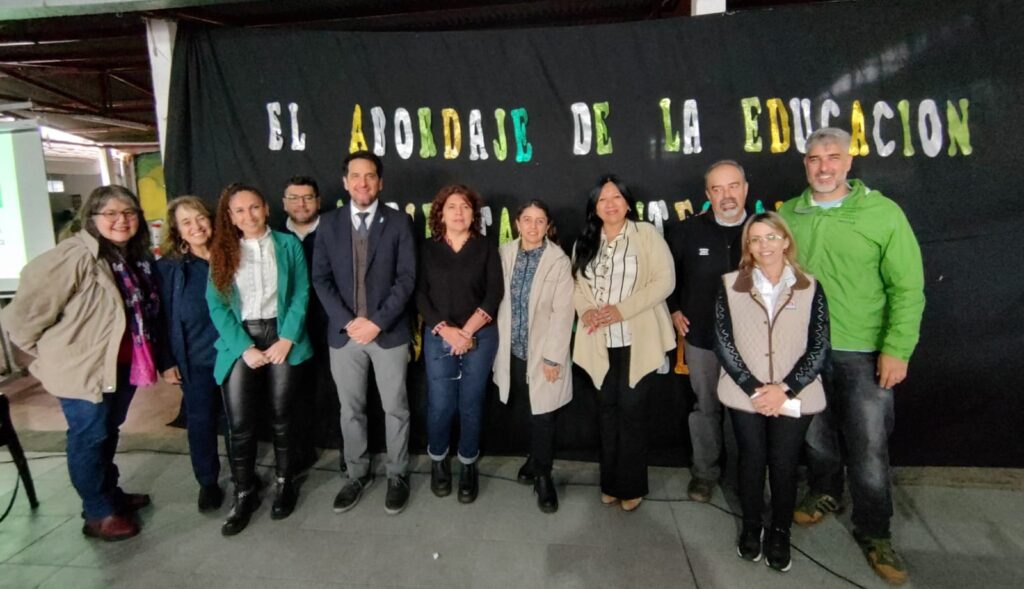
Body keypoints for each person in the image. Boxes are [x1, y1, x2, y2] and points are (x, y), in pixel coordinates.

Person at [781, 128, 925, 585]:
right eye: (814, 158)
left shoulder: (882, 213)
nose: (823, 167)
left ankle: (875, 531)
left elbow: (907, 287)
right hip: (803, 351)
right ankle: (825, 492)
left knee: (868, 447)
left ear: (848, 161)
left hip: (862, 350)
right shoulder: (788, 213)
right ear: (805, 164)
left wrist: (897, 348)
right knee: (815, 435)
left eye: (833, 157)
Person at [3, 185, 163, 541]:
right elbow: (21, 318)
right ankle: (98, 512)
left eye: (129, 213)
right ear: (91, 217)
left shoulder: (129, 256)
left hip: (119, 365)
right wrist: (52, 356)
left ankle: (109, 495)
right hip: (83, 370)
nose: (121, 220)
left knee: (107, 430)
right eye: (111, 213)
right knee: (89, 437)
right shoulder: (72, 257)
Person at [713, 212, 830, 572]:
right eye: (756, 239)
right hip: (744, 392)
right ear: (747, 246)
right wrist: (754, 388)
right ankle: (752, 526)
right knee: (750, 460)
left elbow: (819, 346)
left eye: (771, 237)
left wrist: (785, 389)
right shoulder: (730, 284)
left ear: (785, 241)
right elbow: (723, 341)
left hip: (794, 394)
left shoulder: (810, 287)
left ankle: (780, 531)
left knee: (784, 463)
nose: (764, 245)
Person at [312, 152, 416, 514]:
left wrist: (377, 322)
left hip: (388, 333)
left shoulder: (400, 222)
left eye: (370, 176)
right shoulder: (329, 223)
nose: (362, 182)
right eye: (355, 176)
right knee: (351, 410)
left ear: (380, 182)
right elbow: (320, 279)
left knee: (395, 408)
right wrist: (348, 321)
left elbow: (407, 279)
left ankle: (397, 474)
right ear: (345, 182)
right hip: (345, 336)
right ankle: (356, 474)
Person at [207, 183, 312, 535]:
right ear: (230, 216)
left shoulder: (288, 244)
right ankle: (244, 492)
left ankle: (285, 482)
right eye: (239, 210)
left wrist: (288, 338)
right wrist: (243, 347)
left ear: (266, 208)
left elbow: (301, 292)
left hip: (282, 334)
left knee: (283, 416)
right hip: (241, 338)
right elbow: (217, 305)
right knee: (240, 423)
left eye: (254, 207)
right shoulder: (222, 252)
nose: (248, 215)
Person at [571, 175, 675, 512]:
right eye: (602, 199)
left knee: (632, 411)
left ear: (628, 203)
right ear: (594, 207)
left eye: (616, 197)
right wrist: (586, 311)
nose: (610, 204)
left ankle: (631, 486)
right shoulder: (585, 241)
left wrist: (621, 310)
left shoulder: (646, 234)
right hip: (598, 341)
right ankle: (610, 484)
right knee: (606, 411)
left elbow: (665, 281)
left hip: (637, 340)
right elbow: (577, 286)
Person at [667, 159, 750, 503]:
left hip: (752, 343)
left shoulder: (763, 230)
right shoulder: (687, 232)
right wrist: (674, 309)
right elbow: (667, 277)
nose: (726, 195)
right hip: (701, 338)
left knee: (747, 411)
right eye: (717, 189)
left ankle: (746, 477)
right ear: (707, 194)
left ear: (745, 189)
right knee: (705, 408)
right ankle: (704, 474)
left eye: (733, 186)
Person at [417, 184, 503, 504]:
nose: (459, 212)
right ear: (440, 213)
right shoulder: (427, 248)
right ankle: (438, 460)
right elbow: (419, 294)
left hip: (479, 335)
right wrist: (447, 331)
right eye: (452, 206)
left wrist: (465, 332)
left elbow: (494, 293)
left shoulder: (486, 247)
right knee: (440, 404)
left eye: (465, 207)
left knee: (471, 402)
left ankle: (468, 463)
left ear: (473, 214)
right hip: (439, 335)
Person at [492, 200, 574, 513]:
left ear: (547, 225)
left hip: (543, 352)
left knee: (544, 415)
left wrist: (553, 358)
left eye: (540, 221)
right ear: (517, 223)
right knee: (525, 410)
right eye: (527, 220)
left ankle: (543, 476)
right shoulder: (504, 253)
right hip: (511, 350)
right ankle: (533, 460)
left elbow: (563, 312)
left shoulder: (558, 260)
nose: (533, 226)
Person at [157, 196, 227, 512]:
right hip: (195, 358)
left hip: (236, 355)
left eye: (200, 218)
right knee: (201, 421)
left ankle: (244, 472)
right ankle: (208, 482)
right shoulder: (169, 268)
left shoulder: (230, 255)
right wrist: (167, 361)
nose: (196, 226)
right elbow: (160, 318)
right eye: (186, 222)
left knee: (239, 419)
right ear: (177, 230)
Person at [281, 176, 335, 469]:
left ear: (318, 201)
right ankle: (302, 451)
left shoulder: (336, 231)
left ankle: (345, 450)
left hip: (331, 325)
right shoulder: (275, 237)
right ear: (283, 203)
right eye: (294, 198)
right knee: (295, 393)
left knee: (337, 390)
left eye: (308, 197)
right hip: (289, 331)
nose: (301, 204)